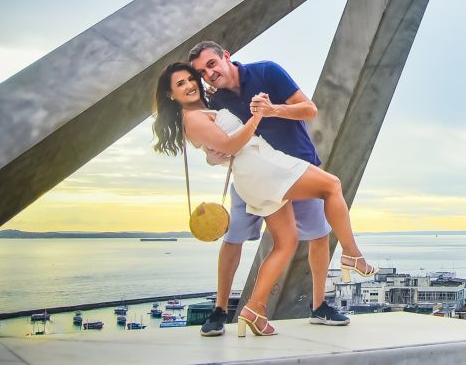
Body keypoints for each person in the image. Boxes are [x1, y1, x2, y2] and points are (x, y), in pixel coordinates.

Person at [152, 62, 375, 337]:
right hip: (262, 167)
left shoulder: (206, 106)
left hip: (257, 173)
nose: (189, 85)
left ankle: (254, 309)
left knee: (286, 243)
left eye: (190, 79)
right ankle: (352, 254)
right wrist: (257, 117)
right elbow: (231, 145)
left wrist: (215, 152)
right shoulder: (192, 118)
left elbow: (220, 146)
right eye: (180, 84)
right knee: (332, 185)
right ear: (171, 95)